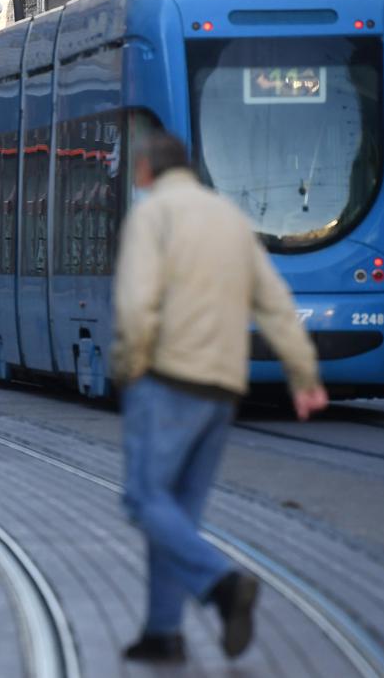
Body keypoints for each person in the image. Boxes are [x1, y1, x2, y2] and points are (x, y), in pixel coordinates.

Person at [111, 133, 328, 664]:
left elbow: (137, 303)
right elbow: (275, 303)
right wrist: (303, 374)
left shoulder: (153, 214)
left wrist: (127, 367)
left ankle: (223, 584)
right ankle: (164, 633)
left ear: (145, 172)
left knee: (143, 499)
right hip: (223, 390)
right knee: (177, 512)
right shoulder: (230, 218)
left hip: (167, 380)